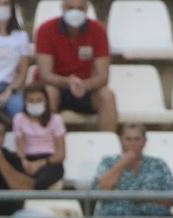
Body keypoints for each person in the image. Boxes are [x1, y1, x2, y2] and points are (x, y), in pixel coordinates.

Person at [35, 0, 117, 132]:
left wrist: (84, 85)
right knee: (49, 92)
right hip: (57, 87)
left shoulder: (98, 31)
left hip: (86, 88)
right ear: (62, 8)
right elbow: (45, 74)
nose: (75, 12)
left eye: (80, 8)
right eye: (70, 8)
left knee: (107, 96)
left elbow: (103, 76)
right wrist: (69, 82)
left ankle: (107, 145)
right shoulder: (46, 30)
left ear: (86, 9)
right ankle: (44, 145)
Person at [11, 83, 67, 189]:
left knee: (49, 174)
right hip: (28, 159)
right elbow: (20, 148)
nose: (35, 103)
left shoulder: (56, 120)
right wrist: (25, 163)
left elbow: (61, 154)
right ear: (25, 103)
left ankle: (31, 187)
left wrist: (40, 163)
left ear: (46, 101)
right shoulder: (19, 119)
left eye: (39, 100)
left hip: (49, 161)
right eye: (31, 101)